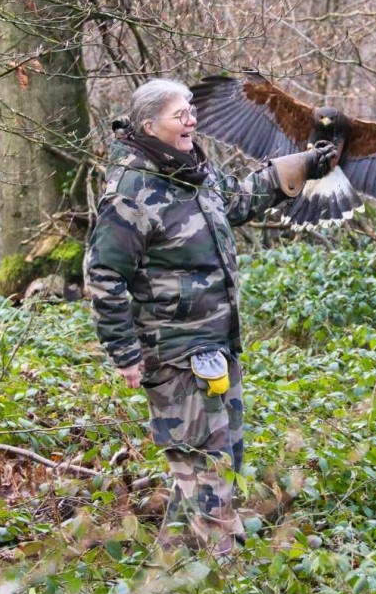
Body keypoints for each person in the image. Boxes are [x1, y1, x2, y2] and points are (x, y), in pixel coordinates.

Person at [84, 78, 336, 556]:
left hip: (217, 345)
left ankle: (172, 566)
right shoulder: (132, 192)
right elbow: (102, 276)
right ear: (148, 125)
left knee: (213, 459)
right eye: (180, 115)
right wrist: (125, 354)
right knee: (207, 465)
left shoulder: (192, 171)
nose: (191, 121)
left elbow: (239, 200)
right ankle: (226, 582)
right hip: (175, 354)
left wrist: (302, 165)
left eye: (191, 112)